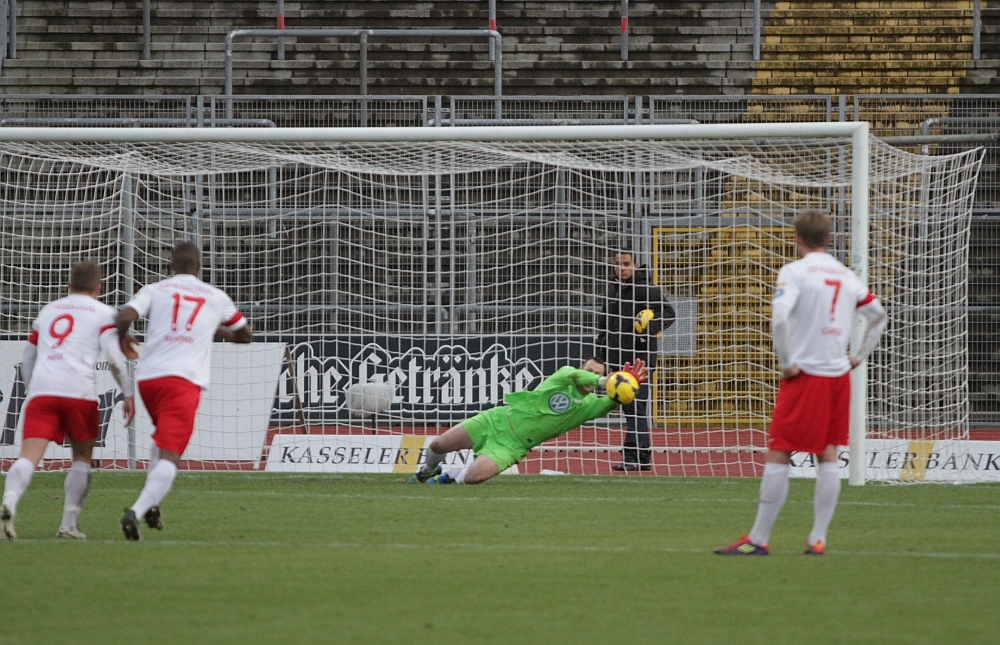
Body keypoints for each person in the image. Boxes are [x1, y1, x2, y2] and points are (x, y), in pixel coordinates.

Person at [715, 209, 887, 556]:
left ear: (797, 239)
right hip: (838, 376)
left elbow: (779, 318)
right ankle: (818, 537)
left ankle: (758, 539)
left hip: (806, 373)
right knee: (828, 453)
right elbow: (878, 315)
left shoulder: (794, 272)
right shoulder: (846, 275)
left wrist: (786, 363)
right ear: (828, 239)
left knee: (780, 448)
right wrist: (857, 357)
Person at [115, 242, 252, 540]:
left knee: (161, 438)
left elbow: (123, 317)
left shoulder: (154, 289)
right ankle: (135, 511)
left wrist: (122, 338)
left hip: (149, 380)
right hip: (183, 382)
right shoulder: (216, 296)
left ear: (171, 266)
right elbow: (245, 335)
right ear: (199, 267)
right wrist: (215, 330)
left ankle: (154, 503)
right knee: (171, 455)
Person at [1, 261, 135, 540]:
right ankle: (68, 525)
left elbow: (28, 357)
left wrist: (33, 389)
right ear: (99, 288)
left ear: (68, 285)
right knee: (82, 460)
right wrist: (128, 392)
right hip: (79, 395)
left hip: (43, 393)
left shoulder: (49, 310)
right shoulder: (103, 313)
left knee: (28, 457)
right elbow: (113, 358)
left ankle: (9, 502)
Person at [410, 357, 647, 485]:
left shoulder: (590, 406)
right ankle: (427, 470)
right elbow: (576, 375)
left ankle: (451, 476)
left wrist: (629, 385)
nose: (592, 376)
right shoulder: (564, 376)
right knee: (438, 445)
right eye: (590, 371)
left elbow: (612, 402)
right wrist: (603, 380)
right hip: (497, 419)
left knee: (473, 477)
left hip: (513, 446)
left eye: (598, 373)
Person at [595, 251, 675, 471]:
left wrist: (645, 330)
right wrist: (602, 356)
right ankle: (641, 456)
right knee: (631, 409)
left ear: (635, 265)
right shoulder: (613, 290)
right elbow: (604, 325)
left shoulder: (646, 289)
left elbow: (669, 313)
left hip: (639, 360)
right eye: (618, 264)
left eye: (626, 264)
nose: (622, 268)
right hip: (617, 359)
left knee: (635, 408)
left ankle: (634, 456)